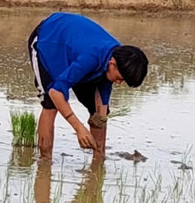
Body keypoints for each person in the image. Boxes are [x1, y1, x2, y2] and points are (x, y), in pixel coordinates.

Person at [27, 12, 148, 160]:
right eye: (119, 78)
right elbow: (56, 92)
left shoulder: (117, 56)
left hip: (75, 47)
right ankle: (45, 162)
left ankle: (98, 157)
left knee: (99, 115)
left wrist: (101, 115)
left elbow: (101, 107)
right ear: (112, 64)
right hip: (49, 41)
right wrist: (79, 128)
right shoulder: (91, 57)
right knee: (50, 104)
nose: (118, 83)